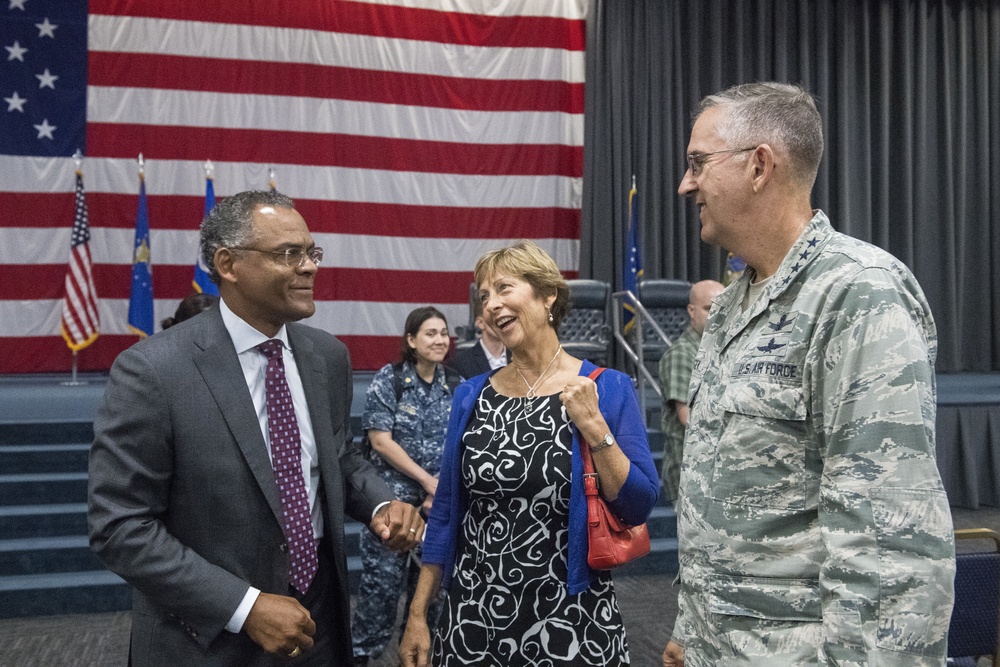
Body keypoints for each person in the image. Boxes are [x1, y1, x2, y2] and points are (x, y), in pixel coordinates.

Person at [661, 83, 955, 666]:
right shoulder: (731, 306)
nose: (685, 184)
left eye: (698, 163)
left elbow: (888, 542)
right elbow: (723, 498)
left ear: (760, 166)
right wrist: (690, 631)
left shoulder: (857, 293)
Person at [88, 190, 424, 666]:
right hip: (209, 642)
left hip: (320, 628)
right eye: (289, 254)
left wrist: (381, 503)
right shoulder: (153, 370)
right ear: (228, 264)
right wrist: (243, 607)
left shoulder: (327, 357)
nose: (309, 266)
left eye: (312, 252)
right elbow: (119, 525)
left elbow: (335, 457)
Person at [399, 240, 659, 667]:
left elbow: (637, 505)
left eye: (504, 288)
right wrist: (417, 615)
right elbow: (445, 512)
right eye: (484, 297)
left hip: (572, 617)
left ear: (548, 294)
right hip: (474, 616)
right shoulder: (470, 395)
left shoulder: (606, 387)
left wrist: (593, 426)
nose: (492, 305)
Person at [352, 306, 454, 666]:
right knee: (379, 596)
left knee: (427, 599)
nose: (440, 339)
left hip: (435, 508)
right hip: (391, 506)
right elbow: (380, 441)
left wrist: (439, 490)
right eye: (430, 333)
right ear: (411, 340)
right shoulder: (390, 379)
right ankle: (362, 657)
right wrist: (428, 481)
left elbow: (459, 444)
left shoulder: (454, 385)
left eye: (443, 332)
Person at [656, 280, 724, 503]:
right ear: (691, 311)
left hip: (720, 470)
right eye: (708, 308)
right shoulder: (681, 355)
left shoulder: (723, 347)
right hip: (692, 474)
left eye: (722, 307)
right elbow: (689, 419)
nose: (716, 314)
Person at [448, 295, 510, 379]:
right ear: (480, 323)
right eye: (494, 314)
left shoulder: (522, 357)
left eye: (504, 314)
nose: (501, 319)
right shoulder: (462, 362)